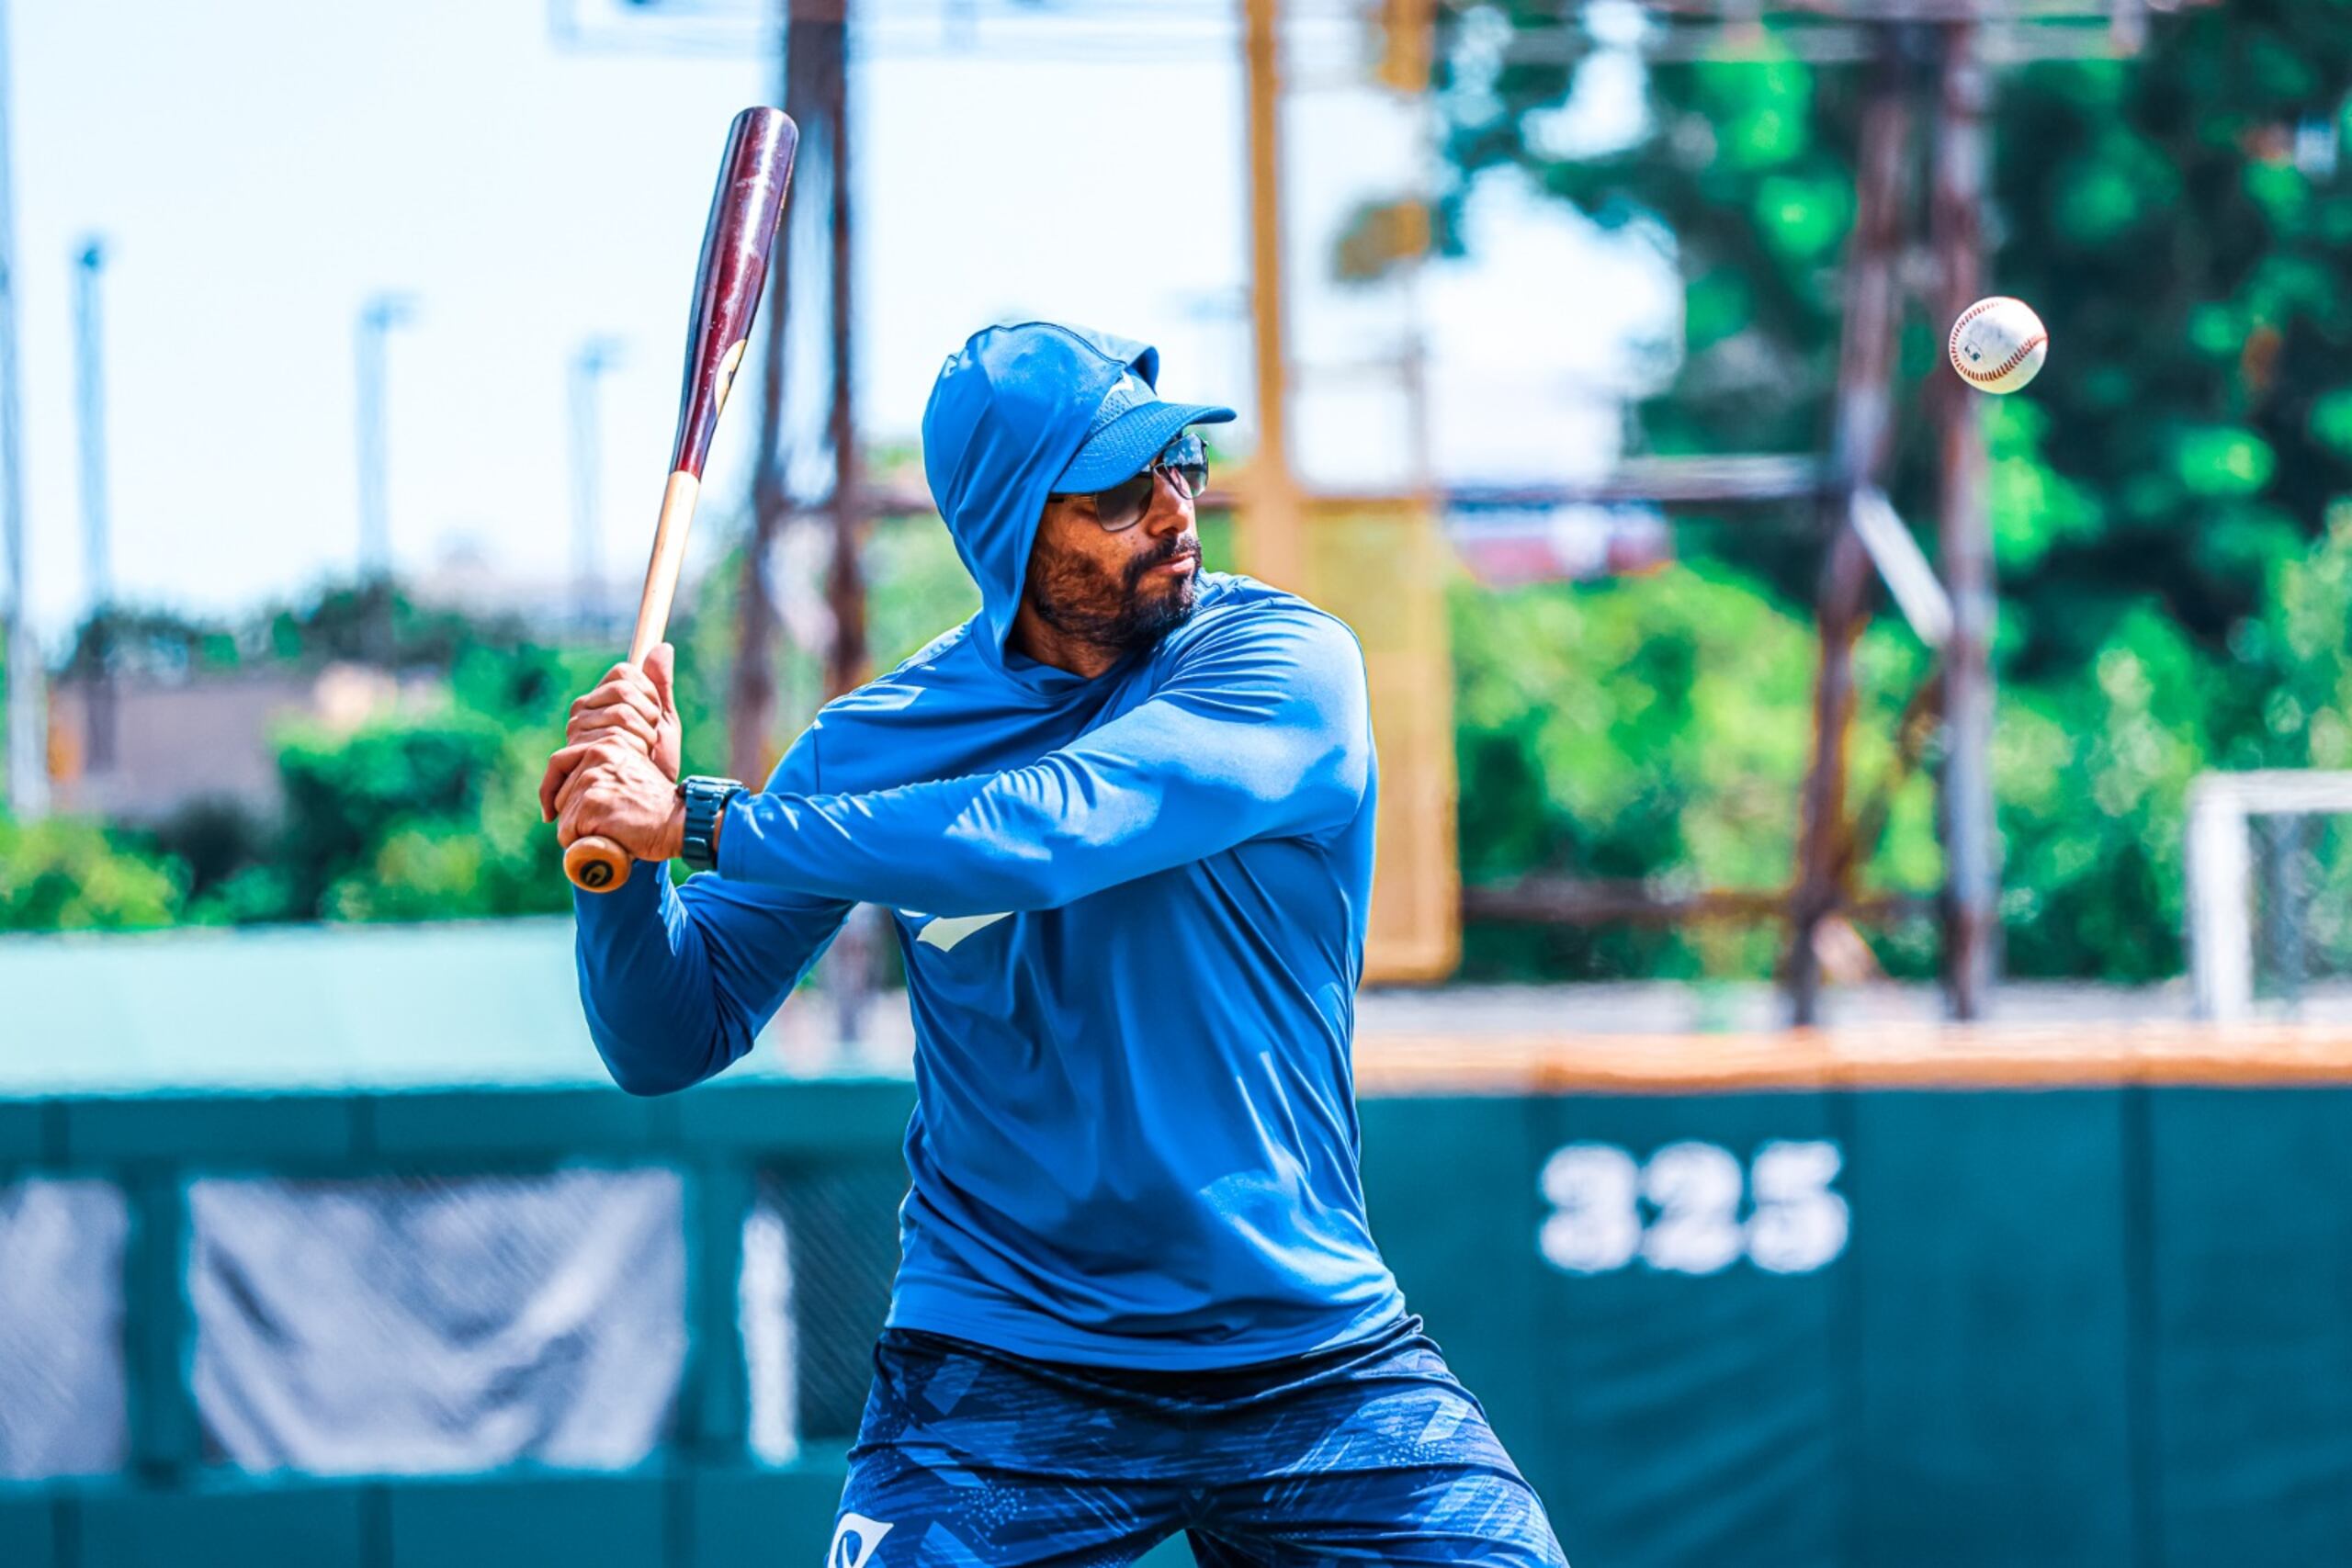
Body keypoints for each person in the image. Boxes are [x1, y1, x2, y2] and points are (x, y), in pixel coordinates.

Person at [541, 321, 1567, 1567]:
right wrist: (619, 862)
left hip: (1304, 1348)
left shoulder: (1282, 664)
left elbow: (1051, 827)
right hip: (1002, 1368)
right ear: (1011, 525)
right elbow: (669, 1036)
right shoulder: (876, 748)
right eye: (1125, 491)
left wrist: (702, 820)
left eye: (1183, 464)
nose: (1176, 510)